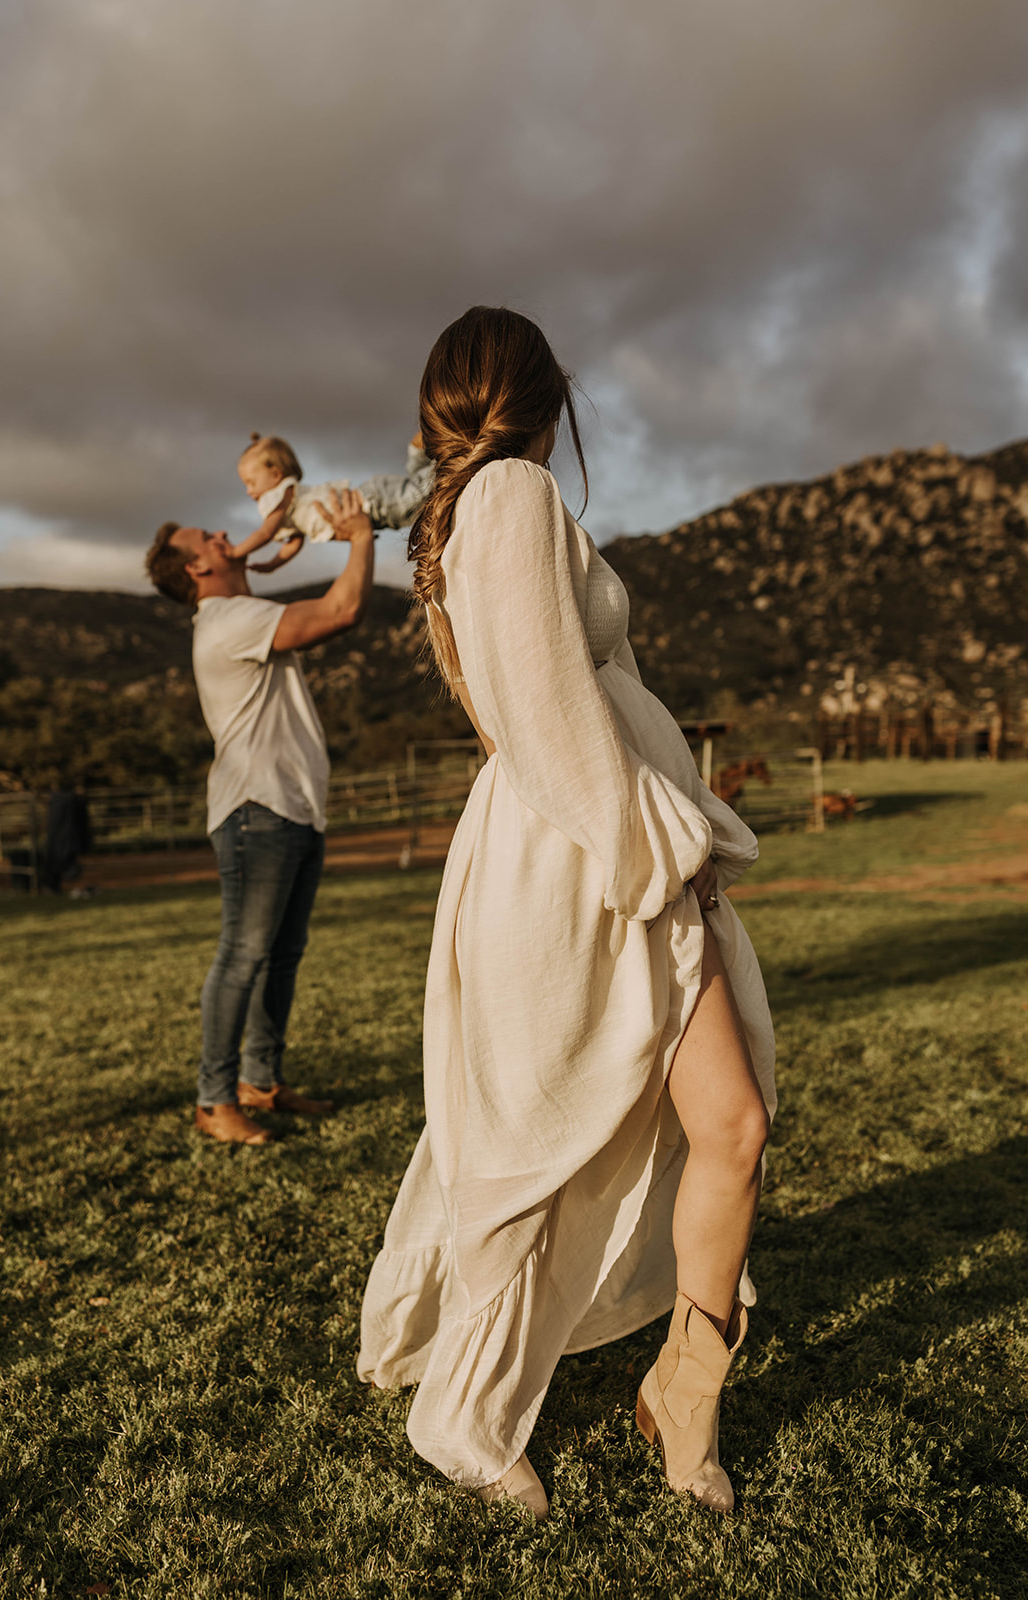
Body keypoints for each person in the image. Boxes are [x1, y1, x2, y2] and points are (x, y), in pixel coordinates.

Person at [357, 308, 777, 1518]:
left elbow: (566, 705)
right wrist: (655, 851)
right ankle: (468, 1415)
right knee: (537, 1143)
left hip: (604, 848)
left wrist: (666, 826)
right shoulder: (507, 503)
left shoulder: (472, 517)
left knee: (729, 1123)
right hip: (581, 863)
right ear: (551, 400)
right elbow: (541, 719)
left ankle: (683, 1398)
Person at [144, 489, 375, 1145]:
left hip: (292, 806)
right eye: (207, 539)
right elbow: (342, 610)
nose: (223, 534)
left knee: (281, 956)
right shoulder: (227, 619)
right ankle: (214, 1100)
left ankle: (260, 1081)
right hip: (257, 811)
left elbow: (287, 591)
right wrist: (360, 535)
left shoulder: (238, 609)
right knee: (242, 956)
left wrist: (271, 559)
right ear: (194, 570)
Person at [234, 431, 434, 575]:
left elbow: (265, 533)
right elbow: (293, 544)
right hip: (374, 505)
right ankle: (418, 457)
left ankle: (436, 460)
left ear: (276, 475)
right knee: (420, 502)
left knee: (427, 496)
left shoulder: (280, 496)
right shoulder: (287, 507)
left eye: (251, 483)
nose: (249, 491)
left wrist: (235, 552)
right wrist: (273, 564)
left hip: (373, 503)